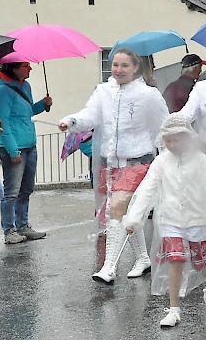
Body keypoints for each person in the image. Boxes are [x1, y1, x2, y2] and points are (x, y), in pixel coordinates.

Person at [58, 48, 168, 283]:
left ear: (136, 68)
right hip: (110, 163)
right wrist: (72, 121)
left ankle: (108, 268)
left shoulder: (148, 95)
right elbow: (90, 115)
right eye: (115, 65)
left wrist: (169, 159)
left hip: (138, 162)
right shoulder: (103, 91)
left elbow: (164, 127)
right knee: (128, 213)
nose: (118, 70)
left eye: (124, 65)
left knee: (116, 209)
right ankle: (142, 258)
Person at [122, 114, 206, 328]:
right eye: (168, 140)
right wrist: (135, 217)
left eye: (177, 139)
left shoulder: (199, 160)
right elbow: (147, 190)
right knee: (176, 259)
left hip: (198, 219)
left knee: (202, 262)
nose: (172, 144)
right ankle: (174, 309)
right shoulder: (161, 162)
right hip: (171, 220)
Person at [0, 62, 52, 244]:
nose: (30, 68)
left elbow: (27, 112)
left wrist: (42, 105)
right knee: (11, 192)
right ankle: (9, 230)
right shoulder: (3, 91)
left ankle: (23, 226)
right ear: (13, 68)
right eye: (25, 65)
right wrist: (13, 151)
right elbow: (2, 123)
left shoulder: (26, 86)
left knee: (26, 189)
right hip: (14, 147)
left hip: (30, 144)